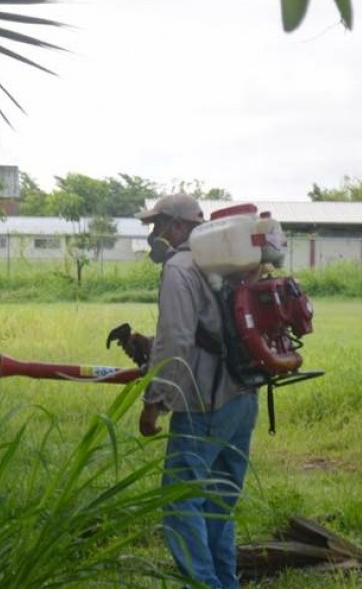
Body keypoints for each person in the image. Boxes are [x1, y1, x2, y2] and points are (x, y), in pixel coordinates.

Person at [125, 193, 259, 589]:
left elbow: (177, 340)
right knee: (219, 505)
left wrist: (155, 403)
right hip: (243, 398)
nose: (154, 234)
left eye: (158, 224)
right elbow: (211, 332)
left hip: (204, 405)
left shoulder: (180, 268)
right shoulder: (226, 263)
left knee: (182, 504)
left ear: (180, 226)